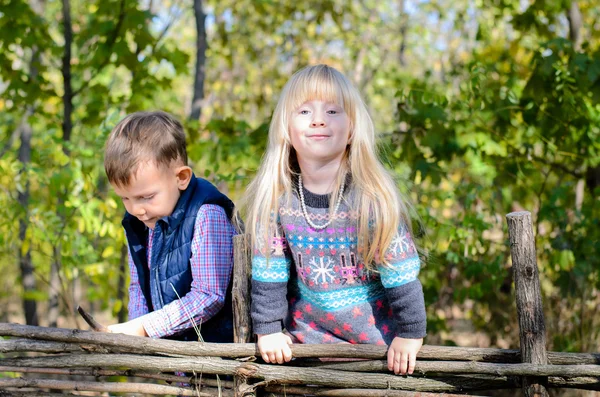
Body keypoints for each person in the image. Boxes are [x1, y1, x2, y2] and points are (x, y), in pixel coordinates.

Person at [240, 65, 426, 375]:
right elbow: (269, 272)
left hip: (375, 347)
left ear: (352, 129)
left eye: (332, 110)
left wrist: (410, 333)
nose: (318, 119)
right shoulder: (277, 199)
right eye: (303, 111)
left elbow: (400, 271)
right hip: (307, 347)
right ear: (285, 127)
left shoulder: (371, 199)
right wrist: (269, 329)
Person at [104, 110, 235, 343]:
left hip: (215, 353)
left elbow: (209, 295)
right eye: (125, 198)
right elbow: (138, 287)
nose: (136, 209)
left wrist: (145, 327)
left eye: (146, 197)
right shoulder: (140, 222)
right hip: (172, 356)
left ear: (181, 177)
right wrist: (137, 337)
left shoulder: (207, 214)